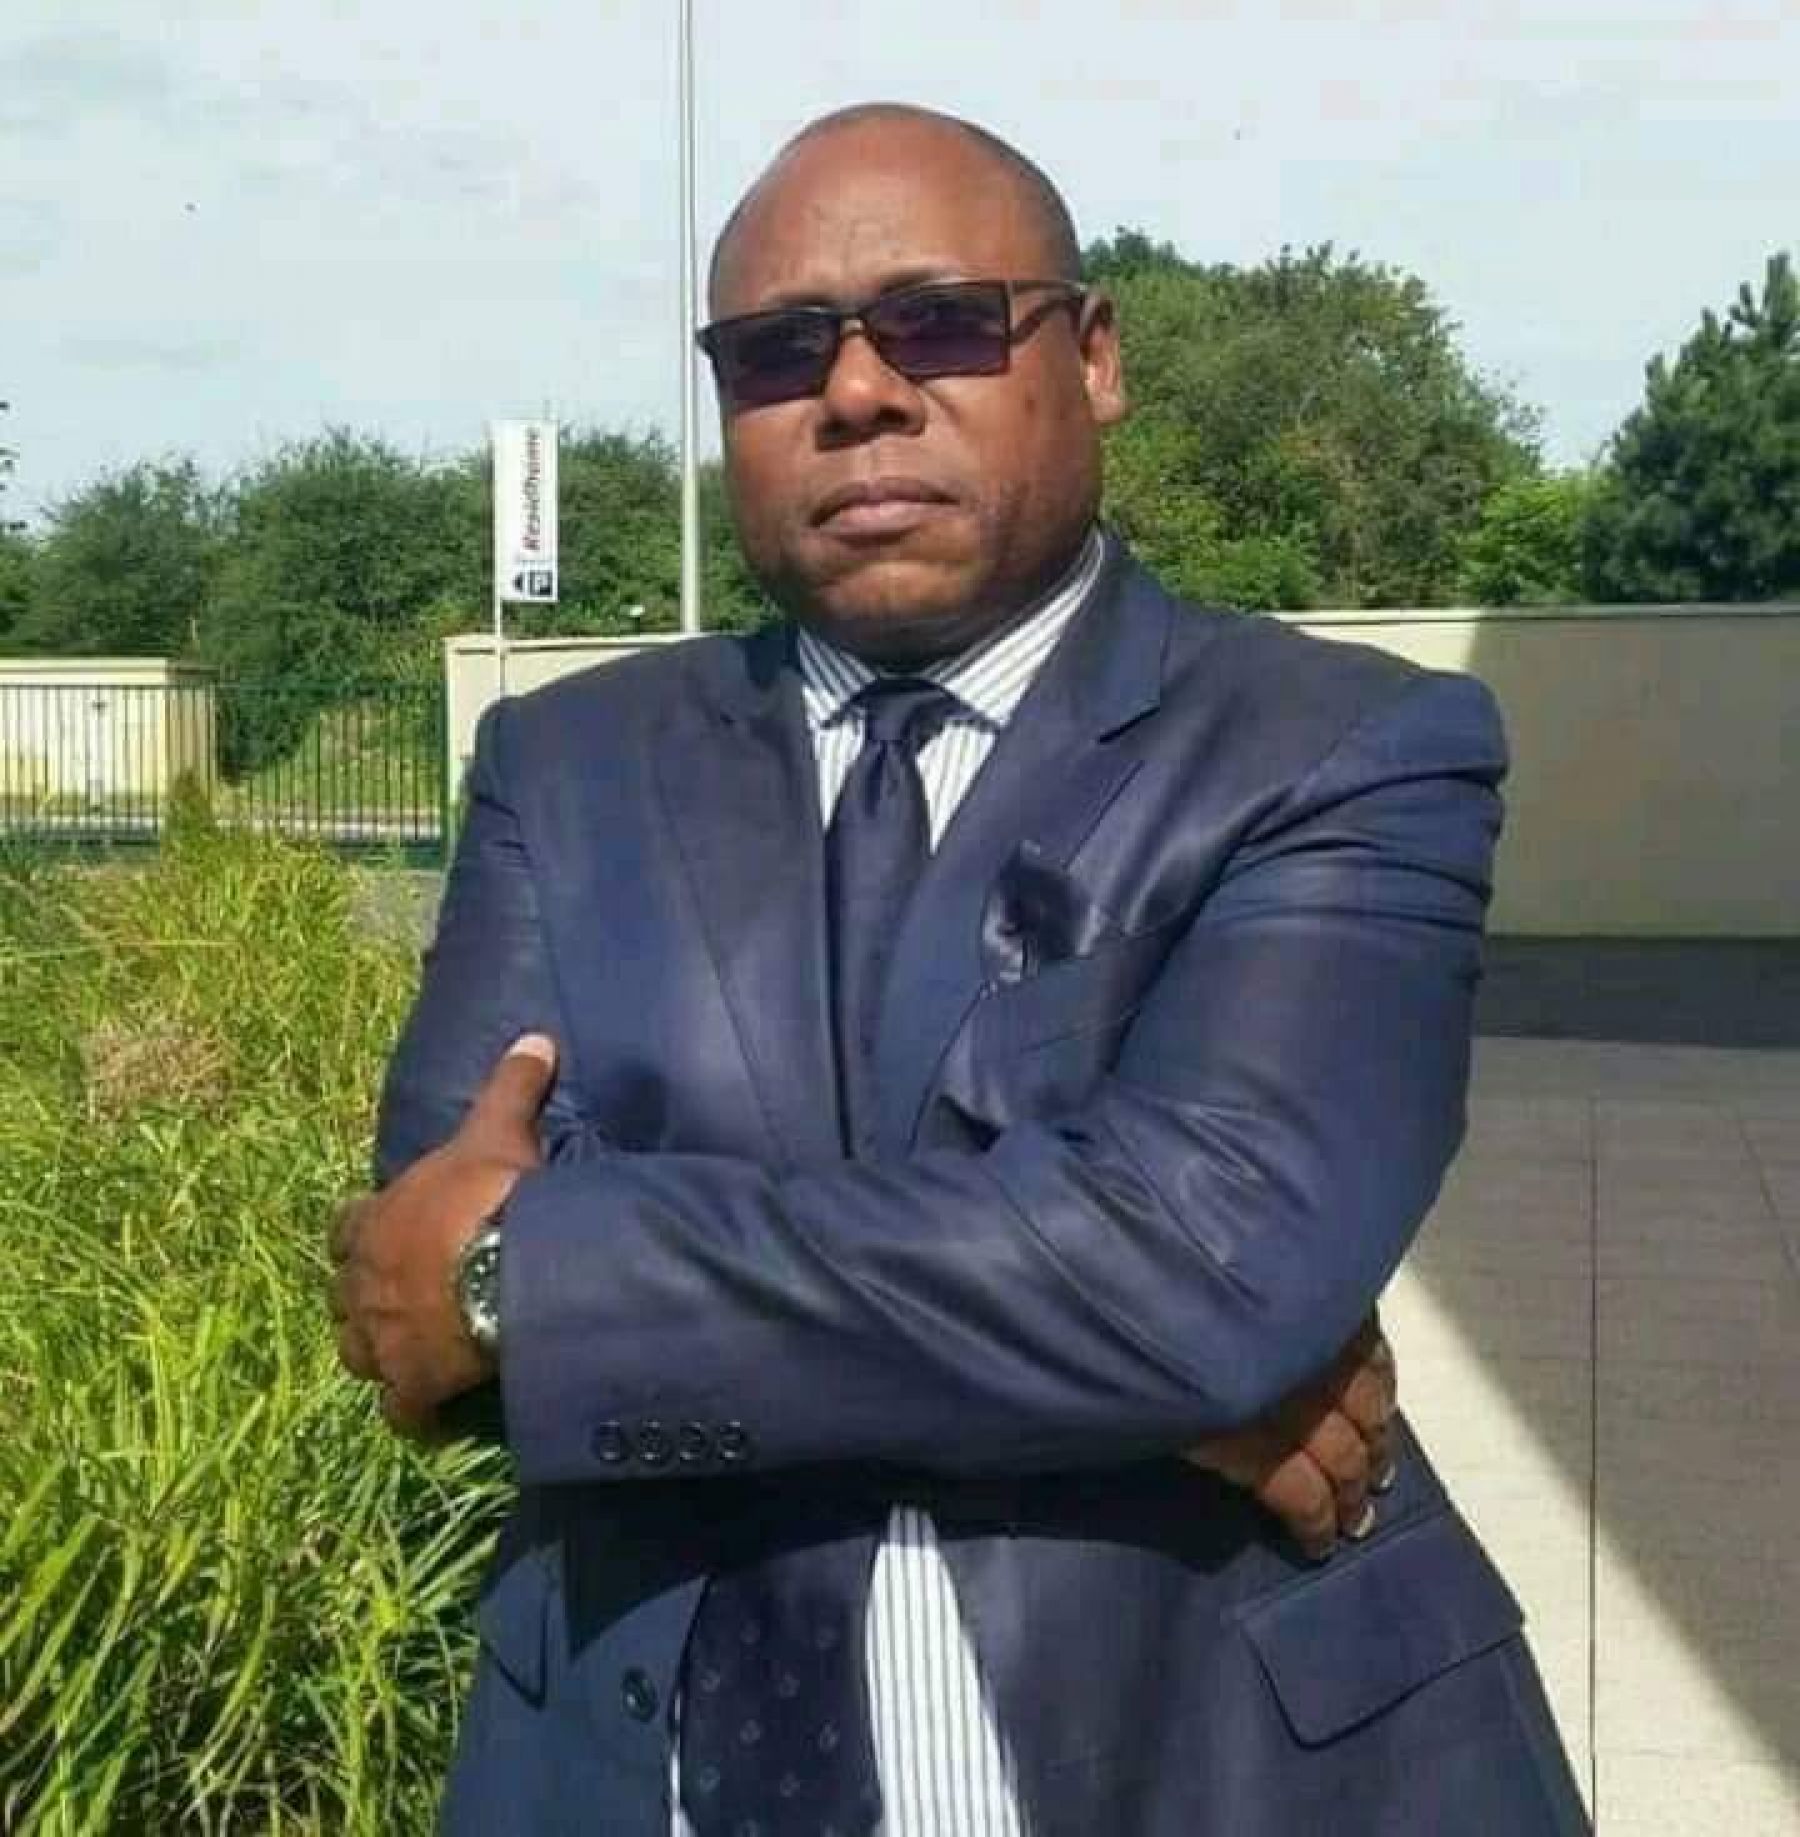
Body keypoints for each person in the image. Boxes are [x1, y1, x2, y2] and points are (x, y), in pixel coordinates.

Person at [330, 103, 1588, 1836]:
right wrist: (1125, 1364)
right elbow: (424, 1275)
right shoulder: (565, 768)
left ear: (1094, 356)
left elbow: (1200, 1266)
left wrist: (552, 1283)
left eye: (937, 322)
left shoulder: (1342, 748)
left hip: (1213, 1763)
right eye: (779, 351)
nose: (857, 390)